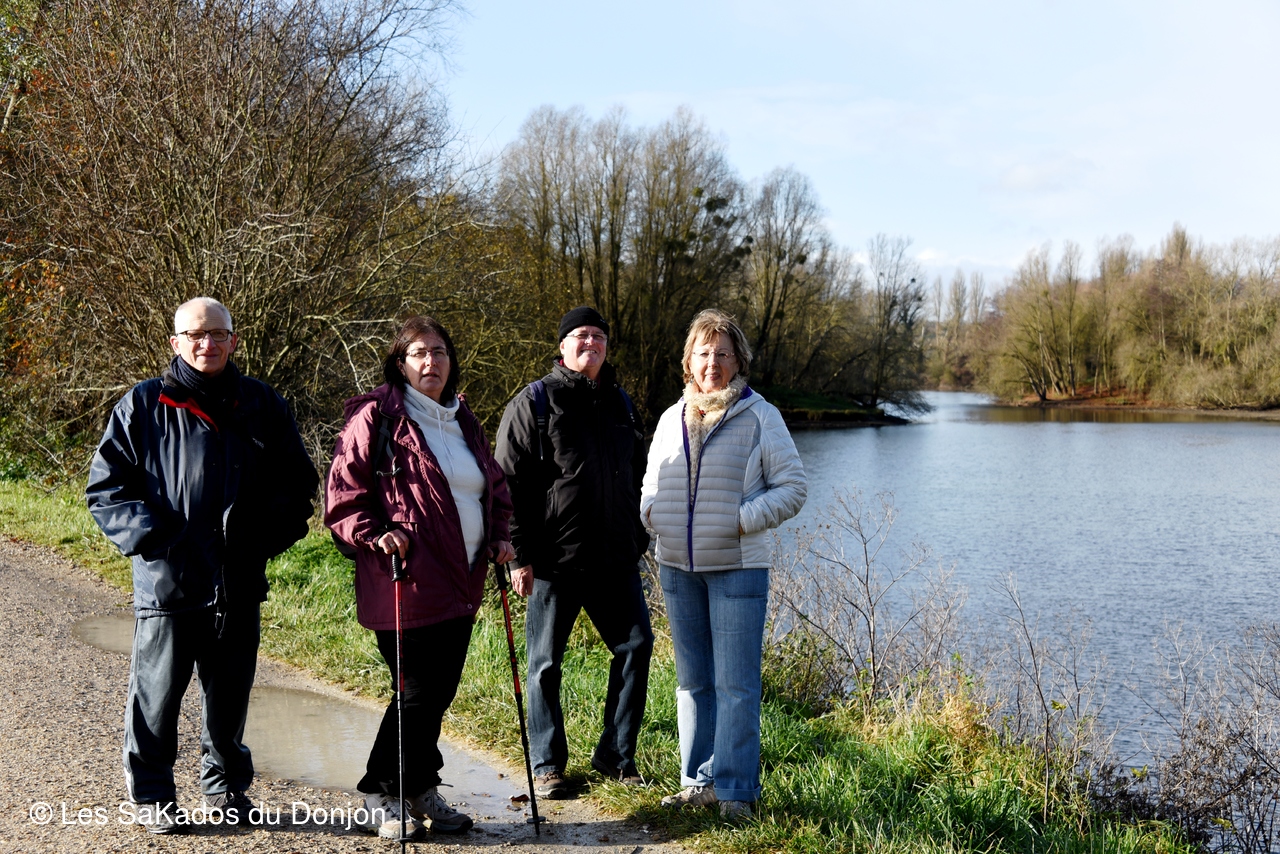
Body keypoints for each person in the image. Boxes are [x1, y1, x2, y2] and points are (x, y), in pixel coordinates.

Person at [86, 297, 318, 834]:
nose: (206, 343)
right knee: (156, 698)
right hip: (169, 582)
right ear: (176, 342)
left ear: (234, 340)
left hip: (238, 580)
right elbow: (107, 489)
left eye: (217, 333)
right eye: (195, 334)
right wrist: (161, 542)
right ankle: (153, 796)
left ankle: (226, 788)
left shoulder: (262, 403)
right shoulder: (144, 404)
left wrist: (259, 539)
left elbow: (297, 485)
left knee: (229, 697)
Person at [326, 316, 513, 839]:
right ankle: (381, 792)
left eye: (440, 352)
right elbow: (343, 497)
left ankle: (420, 786)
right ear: (400, 363)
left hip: (463, 581)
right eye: (419, 353)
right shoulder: (377, 417)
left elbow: (494, 489)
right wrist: (375, 533)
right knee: (417, 691)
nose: (431, 361)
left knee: (439, 691)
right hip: (404, 581)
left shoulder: (463, 419)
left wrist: (500, 536)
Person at [641, 308, 807, 820]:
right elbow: (650, 485)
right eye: (703, 353)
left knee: (736, 686)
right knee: (692, 683)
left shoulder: (761, 416)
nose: (712, 363)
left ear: (738, 361)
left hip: (738, 568)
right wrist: (654, 515)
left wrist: (737, 521)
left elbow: (793, 488)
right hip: (677, 568)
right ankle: (697, 782)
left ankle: (736, 791)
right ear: (688, 361)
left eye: (722, 353)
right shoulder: (671, 418)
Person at [494, 306, 653, 798]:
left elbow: (642, 474)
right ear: (562, 346)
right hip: (553, 562)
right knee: (544, 665)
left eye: (599, 336)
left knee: (637, 646)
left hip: (615, 559)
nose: (591, 343)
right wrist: (518, 557)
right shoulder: (535, 401)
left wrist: (639, 536)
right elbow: (506, 485)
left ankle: (615, 756)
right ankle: (547, 765)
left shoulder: (622, 402)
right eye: (581, 335)